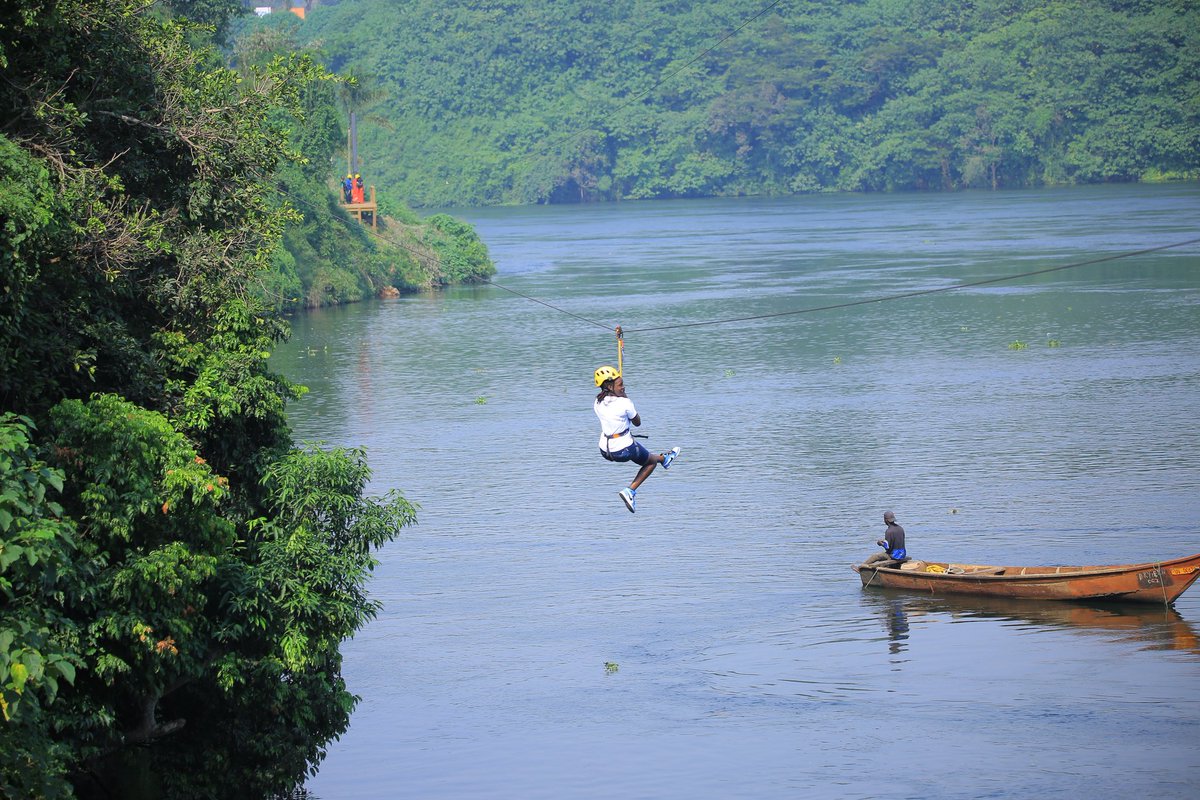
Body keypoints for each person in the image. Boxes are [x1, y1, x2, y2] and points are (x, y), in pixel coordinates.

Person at [593, 365, 680, 513]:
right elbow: (638, 423)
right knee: (650, 464)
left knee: (647, 456)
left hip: (605, 450)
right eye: (620, 385)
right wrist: (626, 398)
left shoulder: (597, 402)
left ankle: (665, 458)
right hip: (623, 449)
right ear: (609, 386)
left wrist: (619, 393)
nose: (624, 387)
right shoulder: (624, 403)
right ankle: (630, 491)